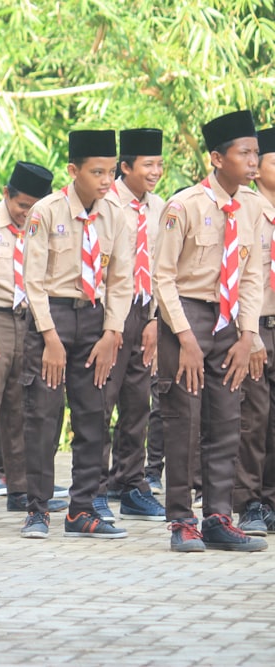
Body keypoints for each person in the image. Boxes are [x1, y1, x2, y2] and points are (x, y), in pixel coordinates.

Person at [156, 110, 267, 552]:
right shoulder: (183, 206)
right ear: (218, 158)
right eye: (245, 153)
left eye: (256, 152)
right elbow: (162, 278)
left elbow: (253, 274)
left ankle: (219, 517)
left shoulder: (255, 207)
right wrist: (184, 337)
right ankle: (182, 521)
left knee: (227, 421)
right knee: (183, 420)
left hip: (229, 322)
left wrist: (248, 334)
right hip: (186, 318)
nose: (254, 161)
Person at [20, 129, 132, 540]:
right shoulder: (46, 212)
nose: (106, 180)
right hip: (53, 319)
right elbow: (32, 280)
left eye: (109, 172)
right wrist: (49, 336)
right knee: (44, 416)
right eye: (96, 172)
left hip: (95, 322)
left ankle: (82, 509)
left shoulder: (116, 215)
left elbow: (121, 280)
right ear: (74, 171)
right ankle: (36, 508)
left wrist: (112, 332)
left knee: (94, 416)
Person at [0, 162, 64, 517]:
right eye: (22, 205)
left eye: (34, 207)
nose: (27, 213)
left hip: (31, 320)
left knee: (23, 408)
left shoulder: (43, 228)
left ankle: (21, 488)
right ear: (6, 195)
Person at [99, 129, 168, 522]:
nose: (156, 171)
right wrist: (110, 322)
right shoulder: (106, 204)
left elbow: (162, 266)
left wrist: (156, 318)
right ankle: (93, 487)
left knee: (137, 402)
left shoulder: (160, 208)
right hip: (110, 313)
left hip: (145, 312)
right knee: (100, 400)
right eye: (148, 165)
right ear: (126, 167)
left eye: (159, 164)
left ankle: (131, 484)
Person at [236, 126, 275, 535]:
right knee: (254, 416)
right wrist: (253, 335)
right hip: (256, 326)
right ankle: (248, 502)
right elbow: (241, 277)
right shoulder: (245, 208)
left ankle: (271, 498)